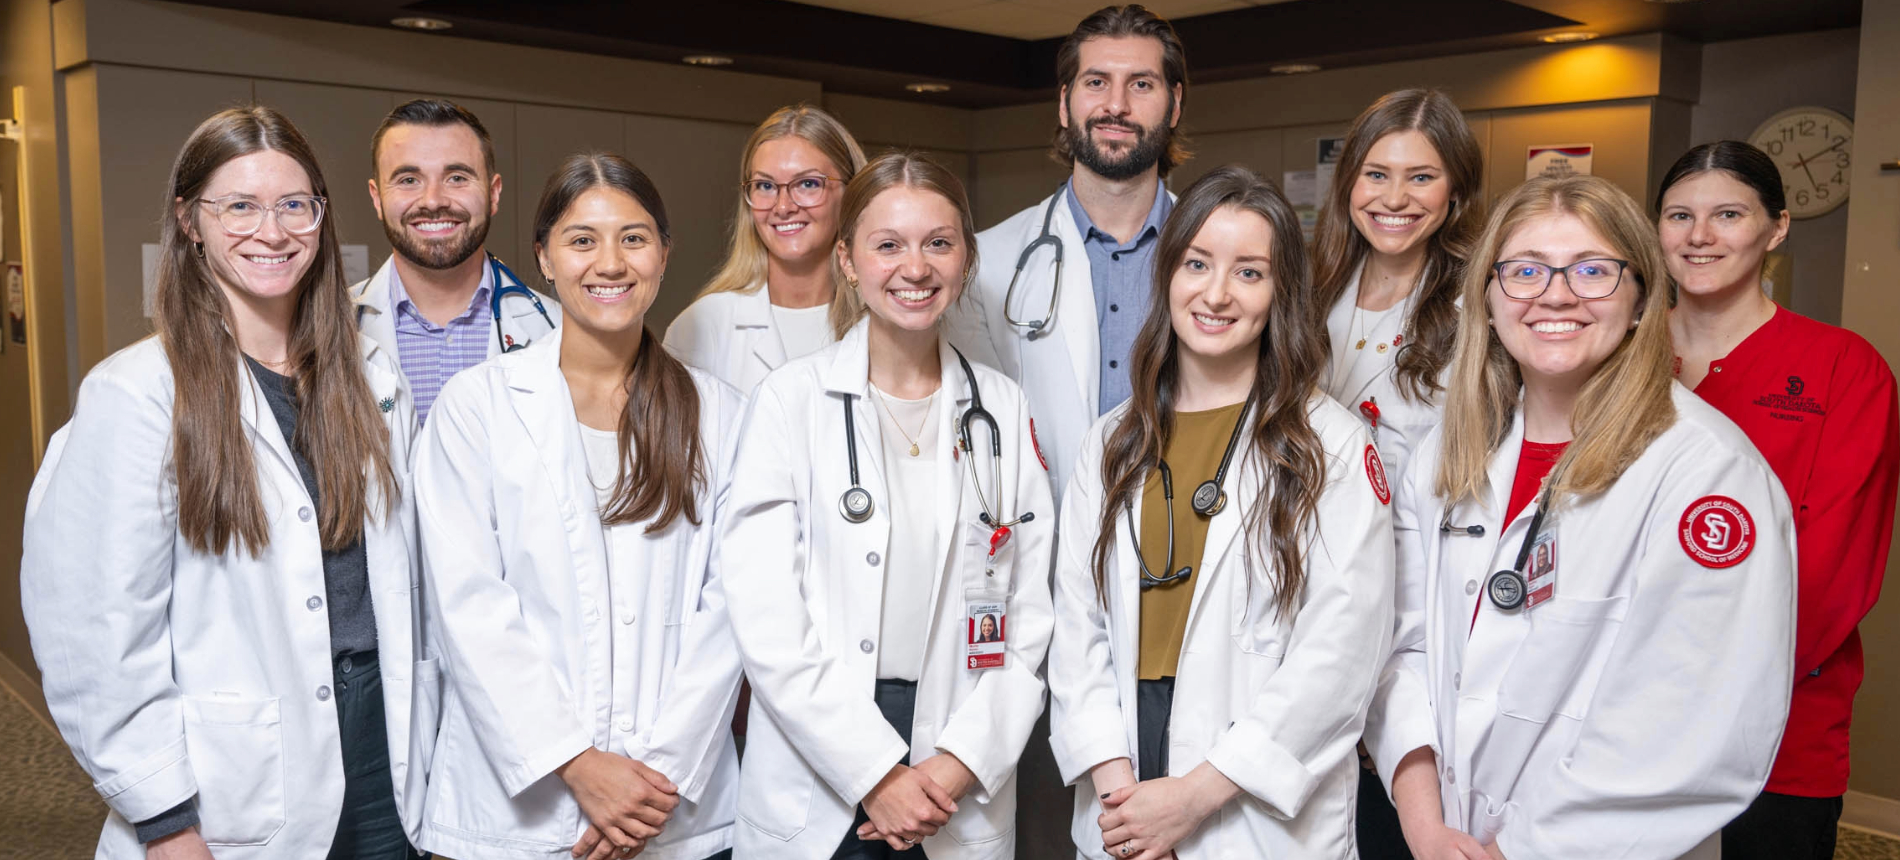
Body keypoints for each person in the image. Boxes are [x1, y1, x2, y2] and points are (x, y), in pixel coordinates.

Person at [21, 106, 431, 859]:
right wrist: (165, 820)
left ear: (321, 216)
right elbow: (94, 634)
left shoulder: (368, 375)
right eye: (238, 205)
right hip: (231, 779)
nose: (271, 232)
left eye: (293, 205)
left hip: (384, 747)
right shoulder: (138, 393)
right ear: (190, 221)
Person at [1363, 174, 1798, 860]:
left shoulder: (1709, 476)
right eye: (1525, 270)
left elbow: (1687, 728)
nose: (1555, 294)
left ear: (1641, 298)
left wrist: (1518, 852)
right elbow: (1400, 650)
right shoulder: (1446, 457)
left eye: (1593, 270)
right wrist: (1425, 826)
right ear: (1488, 298)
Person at [1048, 166, 1394, 860]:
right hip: (1123, 791)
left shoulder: (1331, 445)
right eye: (1197, 263)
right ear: (1167, 273)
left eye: (1248, 273)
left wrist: (1191, 798)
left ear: (1280, 294)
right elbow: (1075, 631)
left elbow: (1339, 658)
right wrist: (1126, 803)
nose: (1215, 293)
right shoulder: (1113, 440)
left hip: (1248, 810)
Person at [719, 152, 1055, 860]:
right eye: (888, 244)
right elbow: (765, 616)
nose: (916, 266)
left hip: (954, 759)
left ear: (966, 258)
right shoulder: (791, 401)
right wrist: (874, 771)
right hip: (823, 760)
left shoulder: (1000, 407)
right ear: (847, 260)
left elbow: (1028, 614)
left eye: (939, 242)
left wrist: (962, 760)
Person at [414, 153, 744, 860]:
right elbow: (468, 609)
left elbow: (731, 610)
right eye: (582, 239)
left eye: (633, 237)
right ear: (545, 258)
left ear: (663, 253)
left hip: (671, 810)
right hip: (514, 816)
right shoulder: (476, 407)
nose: (611, 263)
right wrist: (579, 765)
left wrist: (653, 783)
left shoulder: (722, 415)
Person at [1656, 141, 1900, 860]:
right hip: (1615, 721)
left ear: (1777, 227)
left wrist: (1702, 685)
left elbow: (1833, 574)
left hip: (1779, 730)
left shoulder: (1842, 368)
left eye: (1728, 214)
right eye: (1680, 215)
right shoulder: (1615, 358)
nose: (1700, 236)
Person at [1309, 87, 1484, 860]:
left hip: (1418, 599)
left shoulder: (1477, 304)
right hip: (1309, 581)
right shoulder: (1311, 289)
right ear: (1349, 182)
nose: (1395, 198)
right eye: (1377, 174)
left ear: (1455, 194)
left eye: (1422, 177)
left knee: (1398, 815)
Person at [952, 4, 1190, 497]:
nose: (1117, 106)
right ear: (1065, 103)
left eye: (1141, 84)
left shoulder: (1221, 256)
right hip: (1049, 547)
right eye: (1096, 82)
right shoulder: (988, 262)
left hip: (1186, 531)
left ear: (1174, 104)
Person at [354, 97, 560, 425]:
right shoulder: (329, 328)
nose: (433, 200)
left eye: (457, 178)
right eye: (408, 180)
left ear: (493, 193)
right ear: (377, 198)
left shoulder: (556, 329)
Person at [666, 103, 869, 394]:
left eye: (808, 183)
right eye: (765, 186)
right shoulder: (703, 325)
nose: (783, 207)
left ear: (851, 193)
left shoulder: (886, 319)